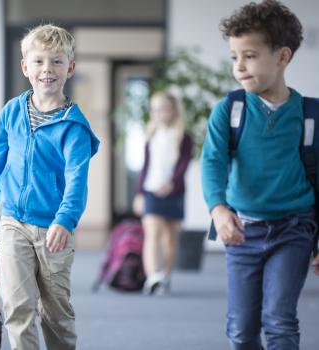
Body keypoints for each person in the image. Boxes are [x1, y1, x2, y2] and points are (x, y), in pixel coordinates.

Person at [0, 24, 100, 350]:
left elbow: (76, 181)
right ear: (25, 67)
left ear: (70, 68)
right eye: (39, 61)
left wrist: (65, 220)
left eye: (56, 62)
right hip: (13, 222)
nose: (47, 70)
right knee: (16, 306)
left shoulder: (74, 126)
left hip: (54, 229)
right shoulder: (12, 112)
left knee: (55, 312)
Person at [201, 1, 319, 349]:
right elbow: (212, 163)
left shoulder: (310, 116)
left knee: (280, 322)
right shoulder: (230, 110)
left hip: (294, 230)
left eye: (249, 56)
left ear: (282, 57)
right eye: (234, 56)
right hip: (242, 232)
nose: (239, 67)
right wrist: (218, 209)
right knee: (241, 330)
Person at [133, 92, 193, 295]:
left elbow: (183, 165)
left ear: (174, 110)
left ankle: (165, 277)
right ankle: (153, 277)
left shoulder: (184, 136)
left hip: (174, 193)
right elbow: (145, 167)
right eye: (155, 109)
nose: (158, 113)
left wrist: (172, 184)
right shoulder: (151, 135)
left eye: (163, 108)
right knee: (152, 234)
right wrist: (140, 193)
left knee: (170, 238)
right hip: (151, 191)